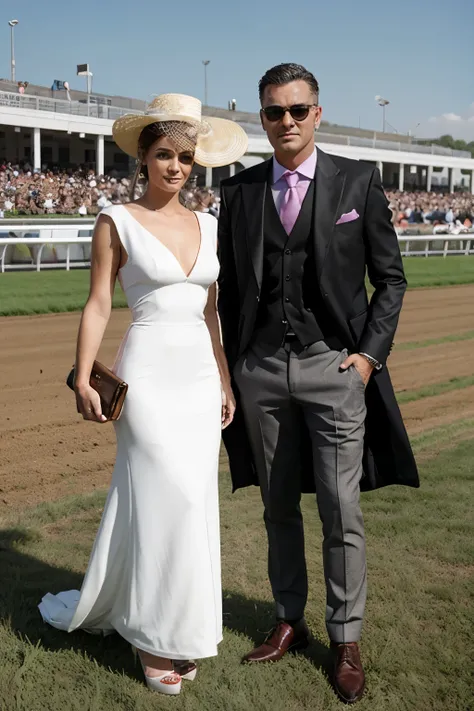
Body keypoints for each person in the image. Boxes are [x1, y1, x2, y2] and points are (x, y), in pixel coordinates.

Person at [217, 64, 419, 705]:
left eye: (298, 110)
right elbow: (227, 288)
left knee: (340, 509)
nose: (287, 122)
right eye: (274, 112)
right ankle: (288, 620)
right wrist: (234, 367)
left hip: (335, 369)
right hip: (262, 374)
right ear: (261, 118)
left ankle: (345, 637)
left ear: (318, 113)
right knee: (277, 507)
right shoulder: (242, 189)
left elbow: (391, 280)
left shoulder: (357, 181)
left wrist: (366, 359)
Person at [39, 93, 247, 696]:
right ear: (144, 158)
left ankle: (182, 625)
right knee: (164, 498)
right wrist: (82, 376)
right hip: (148, 376)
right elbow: (99, 302)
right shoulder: (116, 220)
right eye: (164, 154)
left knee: (193, 505)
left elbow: (211, 314)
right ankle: (152, 636)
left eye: (185, 156)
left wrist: (224, 378)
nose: (176, 166)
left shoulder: (209, 224)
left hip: (199, 381)